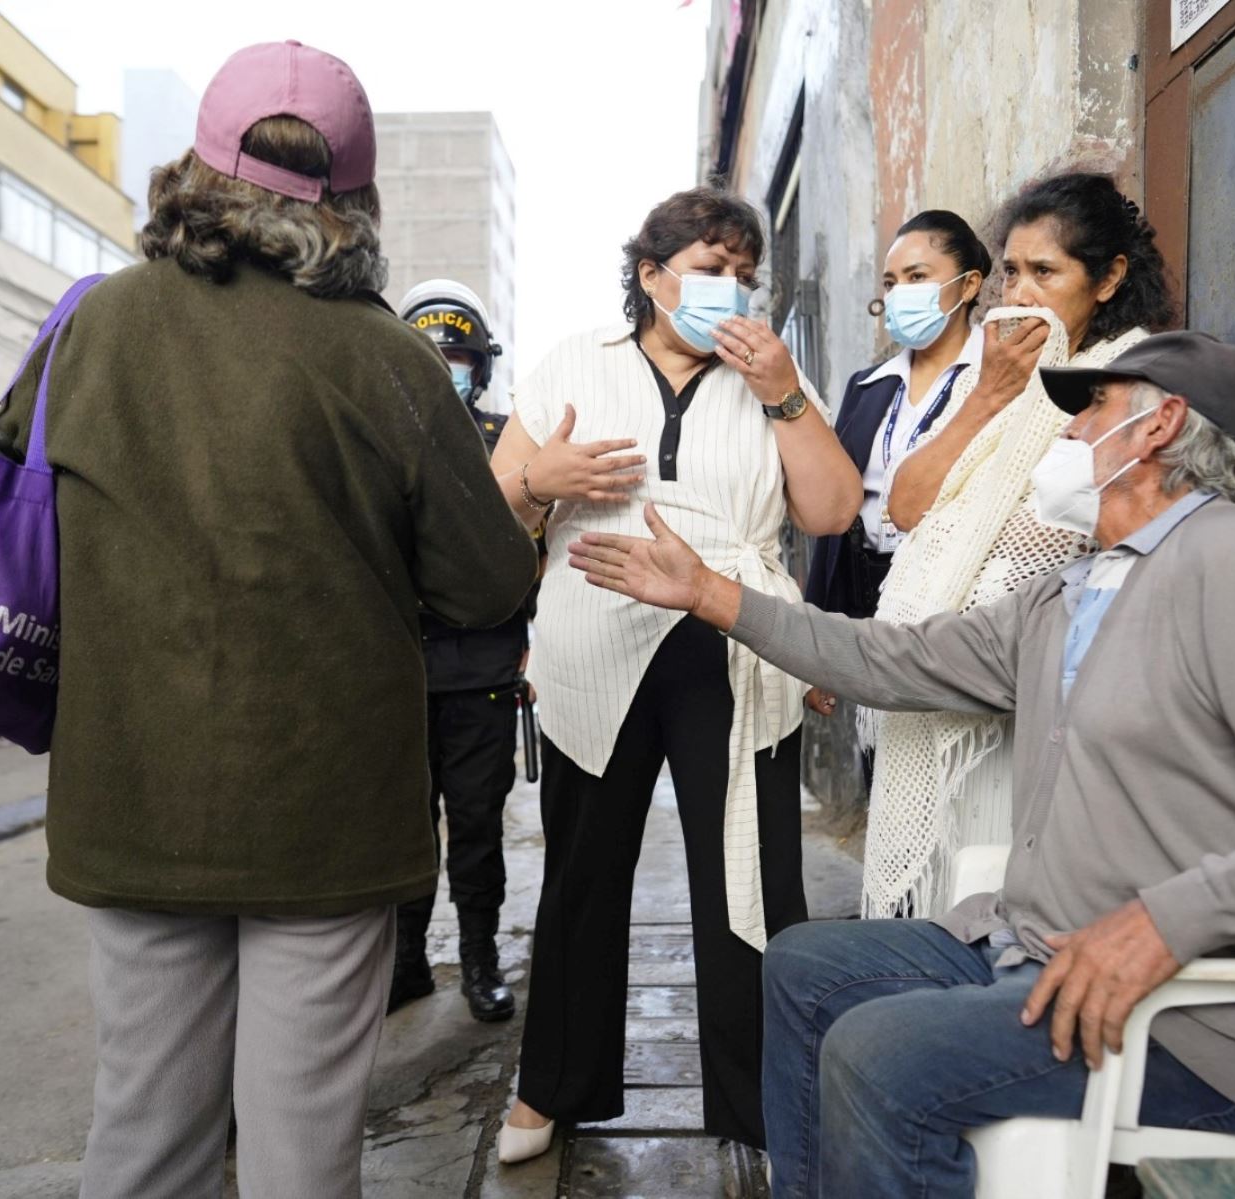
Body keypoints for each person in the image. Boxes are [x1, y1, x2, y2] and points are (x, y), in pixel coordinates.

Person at [569, 330, 1235, 1199]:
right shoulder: (1078, 587)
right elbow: (891, 661)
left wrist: (1165, 923)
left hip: (1202, 1020)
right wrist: (710, 595)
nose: (1072, 431)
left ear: (1158, 424)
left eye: (1093, 410)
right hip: (1040, 950)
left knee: (881, 1052)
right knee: (805, 968)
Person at [0, 43, 536, 1198]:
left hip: (134, 798)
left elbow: (4, 503)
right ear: (355, 197)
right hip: (325, 818)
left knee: (145, 1137)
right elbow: (488, 585)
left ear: (197, 170)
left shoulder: (92, 325)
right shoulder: (390, 358)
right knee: (300, 1154)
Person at [487, 187, 863, 1163]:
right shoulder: (577, 363)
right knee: (582, 872)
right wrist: (542, 481)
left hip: (732, 637)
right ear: (652, 275)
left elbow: (829, 510)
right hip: (594, 638)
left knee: (751, 872)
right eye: (708, 267)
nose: (728, 288)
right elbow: (490, 506)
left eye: (744, 274)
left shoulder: (774, 377)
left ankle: (760, 1100)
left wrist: (782, 388)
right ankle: (552, 1087)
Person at [863, 172, 1176, 924]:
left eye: (1046, 271)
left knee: (992, 901)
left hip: (1036, 699)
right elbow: (907, 506)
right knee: (940, 904)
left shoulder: (1139, 380)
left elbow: (1075, 526)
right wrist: (987, 396)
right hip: (944, 674)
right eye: (1011, 269)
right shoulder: (1005, 375)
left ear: (1108, 279)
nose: (1022, 291)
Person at [392, 277, 531, 1023]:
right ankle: (407, 962)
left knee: (477, 828)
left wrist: (535, 649)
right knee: (405, 830)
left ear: (481, 362)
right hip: (397, 674)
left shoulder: (510, 441)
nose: (447, 364)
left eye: (459, 353)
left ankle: (480, 960)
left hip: (482, 668)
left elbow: (532, 550)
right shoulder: (376, 434)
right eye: (431, 353)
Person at [802, 209, 990, 720]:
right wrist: (819, 650)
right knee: (880, 749)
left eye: (917, 277)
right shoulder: (868, 387)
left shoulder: (997, 377)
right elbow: (836, 523)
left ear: (968, 284)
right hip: (868, 597)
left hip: (954, 598)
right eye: (891, 281)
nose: (899, 292)